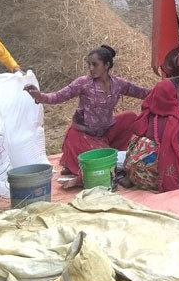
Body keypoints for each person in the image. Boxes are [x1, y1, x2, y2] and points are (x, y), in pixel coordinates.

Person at [24, 45, 150, 184]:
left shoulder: (118, 84)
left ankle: (104, 156)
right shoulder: (83, 83)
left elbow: (142, 92)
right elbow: (58, 97)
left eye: (95, 64)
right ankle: (84, 165)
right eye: (89, 64)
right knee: (101, 161)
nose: (91, 68)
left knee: (130, 117)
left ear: (107, 65)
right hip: (83, 135)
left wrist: (168, 89)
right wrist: (40, 96)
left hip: (105, 131)